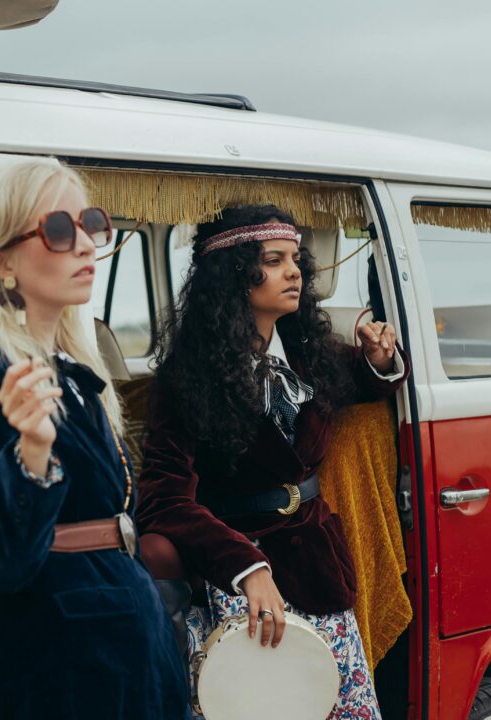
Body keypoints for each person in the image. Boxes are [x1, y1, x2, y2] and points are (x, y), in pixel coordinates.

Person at [0, 159, 190, 720]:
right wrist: (32, 454)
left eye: (91, 224)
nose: (86, 246)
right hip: (62, 657)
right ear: (1, 262)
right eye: (58, 231)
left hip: (127, 637)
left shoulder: (73, 368)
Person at [137, 204, 407, 718]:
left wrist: (379, 358)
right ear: (237, 274)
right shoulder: (187, 377)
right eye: (275, 260)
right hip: (238, 588)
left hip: (317, 564)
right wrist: (246, 566)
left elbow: (366, 381)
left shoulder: (308, 354)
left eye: (296, 259)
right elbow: (164, 500)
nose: (295, 272)